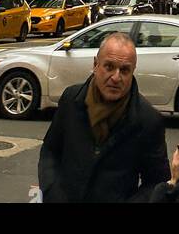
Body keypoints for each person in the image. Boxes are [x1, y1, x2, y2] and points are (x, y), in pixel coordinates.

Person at [38, 33, 170, 202]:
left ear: (132, 72)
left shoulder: (148, 120)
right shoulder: (71, 99)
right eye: (109, 67)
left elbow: (157, 183)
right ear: (95, 65)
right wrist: (52, 191)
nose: (116, 77)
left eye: (124, 70)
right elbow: (50, 150)